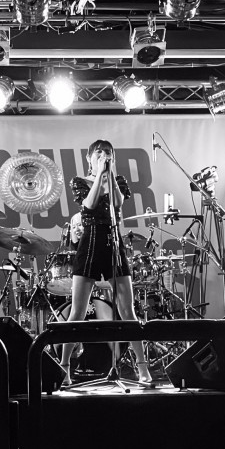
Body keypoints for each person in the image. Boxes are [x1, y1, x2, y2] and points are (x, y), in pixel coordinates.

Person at [58, 140, 152, 386]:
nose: (104, 155)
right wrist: (99, 173)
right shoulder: (79, 181)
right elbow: (89, 205)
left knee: (127, 310)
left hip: (113, 242)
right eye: (98, 152)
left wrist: (108, 175)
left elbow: (118, 203)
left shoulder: (118, 181)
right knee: (77, 311)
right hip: (89, 244)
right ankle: (64, 367)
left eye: (108, 152)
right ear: (89, 157)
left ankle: (142, 366)